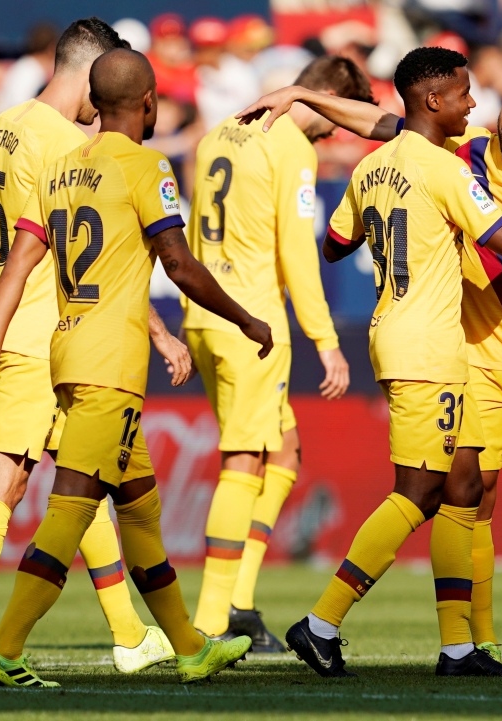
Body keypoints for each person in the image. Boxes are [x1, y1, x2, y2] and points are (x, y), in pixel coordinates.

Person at [236, 60, 502, 676]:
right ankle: (451, 637)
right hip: (460, 351)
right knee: (447, 494)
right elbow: (388, 123)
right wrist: (305, 94)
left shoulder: (447, 161)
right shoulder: (459, 159)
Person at [0, 47, 273, 688]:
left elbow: (17, 264)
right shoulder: (148, 166)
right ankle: (6, 649)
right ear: (150, 102)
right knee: (70, 509)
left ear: (94, 104)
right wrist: (245, 318)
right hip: (109, 364)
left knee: (140, 509)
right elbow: (178, 264)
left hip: (66, 350)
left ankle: (187, 645)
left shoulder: (63, 167)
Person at [0, 18, 185, 678]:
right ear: (95, 71)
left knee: (84, 480)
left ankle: (131, 634)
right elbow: (87, 258)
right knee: (6, 481)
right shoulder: (65, 144)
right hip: (48, 336)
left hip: (23, 326)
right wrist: (157, 331)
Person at [186, 55, 367, 651]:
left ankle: (237, 602)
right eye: (333, 121)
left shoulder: (220, 131)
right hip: (253, 323)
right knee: (244, 462)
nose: (331, 133)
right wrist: (326, 340)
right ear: (320, 99)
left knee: (282, 450)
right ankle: (213, 623)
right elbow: (297, 250)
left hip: (205, 312)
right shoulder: (291, 145)